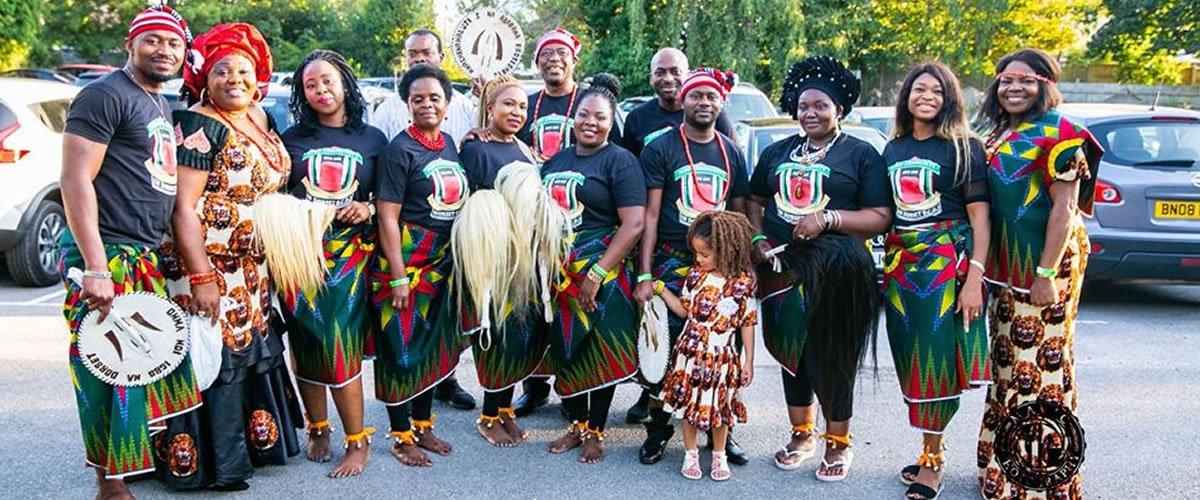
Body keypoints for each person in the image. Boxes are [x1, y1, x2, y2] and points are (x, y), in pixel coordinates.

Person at [58, 7, 200, 499]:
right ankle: (110, 485)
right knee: (107, 371)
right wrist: (95, 266)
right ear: (130, 43)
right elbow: (75, 179)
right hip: (109, 253)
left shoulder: (159, 100)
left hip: (141, 254)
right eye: (153, 41)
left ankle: (122, 472)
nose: (164, 51)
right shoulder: (104, 94)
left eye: (174, 44)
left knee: (141, 368)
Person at [158, 23, 303, 491]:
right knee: (213, 356)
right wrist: (200, 276)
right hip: (209, 264)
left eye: (244, 70)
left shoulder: (260, 116)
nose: (234, 79)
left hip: (252, 266)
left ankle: (255, 449)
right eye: (222, 70)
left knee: (246, 350)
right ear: (205, 77)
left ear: (259, 75)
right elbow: (182, 207)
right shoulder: (198, 123)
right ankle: (218, 464)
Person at [746, 55, 891, 482]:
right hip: (782, 269)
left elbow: (880, 215)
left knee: (833, 357)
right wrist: (757, 240)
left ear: (839, 109)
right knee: (794, 355)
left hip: (839, 272)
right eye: (803, 106)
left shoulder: (862, 154)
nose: (810, 113)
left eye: (820, 106)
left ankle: (838, 443)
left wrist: (829, 220)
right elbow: (754, 200)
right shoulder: (777, 152)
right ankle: (801, 435)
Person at [975, 48, 1100, 500]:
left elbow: (1065, 209)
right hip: (1007, 268)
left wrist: (1045, 273)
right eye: (1006, 81)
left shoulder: (1062, 133)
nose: (1014, 88)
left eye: (1026, 80)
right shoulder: (1000, 131)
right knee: (1008, 367)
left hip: (1047, 265)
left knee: (1039, 369)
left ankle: (1039, 481)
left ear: (1046, 85)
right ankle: (1001, 469)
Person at [880, 61, 991, 500]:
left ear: (950, 99)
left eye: (937, 91)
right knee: (911, 362)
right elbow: (886, 213)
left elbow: (981, 220)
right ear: (906, 96)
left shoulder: (965, 148)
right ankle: (928, 446)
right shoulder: (892, 149)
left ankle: (933, 463)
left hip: (947, 269)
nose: (927, 96)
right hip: (900, 270)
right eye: (918, 89)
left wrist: (974, 279)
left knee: (936, 366)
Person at [279, 49, 388, 478]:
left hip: (350, 258)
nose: (321, 90)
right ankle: (317, 427)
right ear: (302, 93)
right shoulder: (291, 139)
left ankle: (357, 440)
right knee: (304, 340)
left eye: (328, 80)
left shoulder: (373, 138)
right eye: (311, 84)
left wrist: (370, 209)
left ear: (345, 83)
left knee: (339, 343)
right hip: (300, 253)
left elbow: (391, 196)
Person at [634, 67, 751, 466]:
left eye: (711, 97)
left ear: (721, 103)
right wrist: (646, 273)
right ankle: (658, 430)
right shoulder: (660, 148)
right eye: (696, 96)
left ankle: (722, 433)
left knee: (723, 352)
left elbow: (738, 219)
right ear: (682, 101)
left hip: (722, 267)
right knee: (666, 352)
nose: (704, 103)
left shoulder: (731, 151)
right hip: (671, 259)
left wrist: (742, 268)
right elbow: (649, 217)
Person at [540, 74, 645, 464]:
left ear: (610, 121)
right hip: (559, 272)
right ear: (573, 117)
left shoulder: (621, 161)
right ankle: (576, 425)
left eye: (600, 117)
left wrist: (598, 273)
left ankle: (596, 431)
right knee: (568, 348)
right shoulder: (557, 160)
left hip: (604, 272)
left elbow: (633, 223)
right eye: (584, 114)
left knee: (599, 349)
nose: (590, 122)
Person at [371, 30, 477, 410]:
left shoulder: (448, 142)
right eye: (419, 99)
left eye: (435, 98)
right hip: (407, 260)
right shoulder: (399, 149)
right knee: (402, 347)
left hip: (440, 261)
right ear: (408, 104)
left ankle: (423, 426)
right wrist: (398, 274)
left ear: (448, 104)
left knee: (431, 343)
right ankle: (401, 435)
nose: (427, 105)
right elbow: (387, 213)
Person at [456, 75, 547, 447]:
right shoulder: (477, 149)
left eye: (523, 106)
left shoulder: (525, 149)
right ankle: (489, 414)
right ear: (489, 107)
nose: (516, 111)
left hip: (525, 256)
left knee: (520, 336)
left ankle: (505, 409)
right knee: (495, 334)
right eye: (508, 104)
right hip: (493, 257)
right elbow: (472, 204)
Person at [658, 211, 758, 482]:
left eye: (704, 255)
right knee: (689, 406)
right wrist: (662, 291)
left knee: (721, 410)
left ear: (725, 251)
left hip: (722, 356)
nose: (698, 260)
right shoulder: (695, 276)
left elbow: (747, 322)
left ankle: (719, 453)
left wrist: (748, 361)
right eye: (696, 254)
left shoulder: (742, 284)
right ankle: (690, 452)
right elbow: (684, 311)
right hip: (689, 354)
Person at [515, 29, 624, 165]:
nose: (554, 58)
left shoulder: (595, 102)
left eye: (562, 52)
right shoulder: (523, 106)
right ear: (537, 63)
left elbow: (616, 152)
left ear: (574, 61)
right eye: (546, 53)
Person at [621, 48, 736, 158]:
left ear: (687, 75)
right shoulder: (636, 119)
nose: (668, 79)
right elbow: (630, 168)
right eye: (660, 73)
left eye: (675, 72)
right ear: (651, 79)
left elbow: (733, 158)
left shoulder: (709, 115)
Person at [372, 29, 477, 148]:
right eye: (412, 54)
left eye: (427, 53)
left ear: (441, 57)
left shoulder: (465, 107)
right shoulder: (386, 110)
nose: (420, 59)